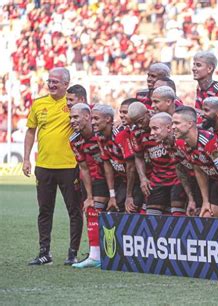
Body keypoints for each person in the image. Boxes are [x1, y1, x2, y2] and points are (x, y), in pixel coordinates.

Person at [24, 67, 83, 266]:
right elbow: (31, 131)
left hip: (69, 166)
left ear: (66, 84)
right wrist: (26, 159)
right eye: (49, 81)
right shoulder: (39, 104)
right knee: (44, 210)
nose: (51, 84)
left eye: (55, 81)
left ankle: (73, 253)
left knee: (74, 210)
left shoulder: (73, 105)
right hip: (44, 166)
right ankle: (44, 253)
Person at [172, 106, 218, 218]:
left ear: (190, 124)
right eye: (172, 123)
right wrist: (205, 201)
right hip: (213, 181)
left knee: (213, 215)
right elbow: (198, 169)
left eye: (176, 123)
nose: (173, 127)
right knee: (202, 214)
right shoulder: (180, 143)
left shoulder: (208, 141)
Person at [128, 102, 187, 216]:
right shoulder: (136, 133)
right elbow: (138, 156)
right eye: (135, 123)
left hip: (177, 177)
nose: (139, 125)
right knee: (151, 218)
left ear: (147, 113)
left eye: (140, 121)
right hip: (157, 178)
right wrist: (143, 178)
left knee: (176, 216)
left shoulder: (163, 121)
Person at [69, 103, 107, 268]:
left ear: (87, 116)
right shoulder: (74, 140)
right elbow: (83, 167)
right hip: (94, 180)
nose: (72, 120)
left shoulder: (102, 134)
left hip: (116, 178)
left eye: (75, 117)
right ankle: (95, 255)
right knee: (91, 210)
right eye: (70, 117)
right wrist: (89, 196)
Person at [92, 104, 141, 213]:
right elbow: (107, 166)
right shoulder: (100, 137)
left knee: (131, 209)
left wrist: (129, 196)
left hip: (138, 181)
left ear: (108, 119)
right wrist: (112, 195)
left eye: (96, 118)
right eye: (92, 119)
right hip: (124, 181)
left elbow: (131, 166)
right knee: (114, 209)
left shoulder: (120, 135)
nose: (92, 122)